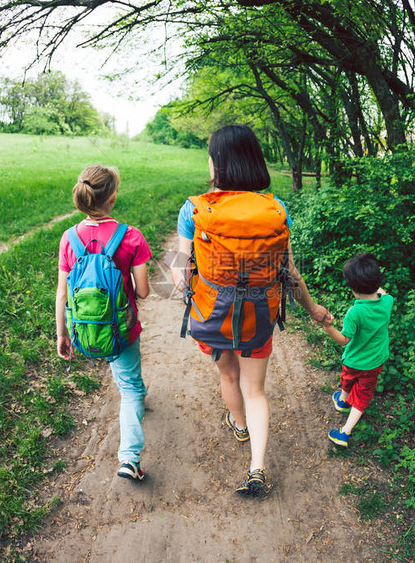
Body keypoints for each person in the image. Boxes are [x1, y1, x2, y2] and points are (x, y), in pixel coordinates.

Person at [172, 124, 331, 497]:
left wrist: (192, 281)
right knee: (255, 389)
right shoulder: (277, 210)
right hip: (258, 318)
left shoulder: (194, 209)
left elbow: (179, 274)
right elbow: (289, 273)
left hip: (213, 316)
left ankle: (238, 424)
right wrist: (312, 308)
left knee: (229, 377)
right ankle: (257, 468)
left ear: (216, 164)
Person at [56, 164, 152, 481]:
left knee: (127, 381)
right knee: (130, 391)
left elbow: (62, 293)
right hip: (123, 329)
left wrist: (63, 334)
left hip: (85, 329)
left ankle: (136, 393)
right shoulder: (131, 237)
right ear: (112, 198)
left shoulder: (69, 238)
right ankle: (129, 458)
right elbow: (143, 291)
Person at [320, 253, 393, 447]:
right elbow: (383, 292)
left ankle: (344, 422)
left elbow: (344, 340)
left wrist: (328, 327)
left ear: (353, 289)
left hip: (354, 361)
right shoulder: (388, 302)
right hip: (375, 361)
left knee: (348, 378)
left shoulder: (355, 312)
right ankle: (344, 417)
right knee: (363, 395)